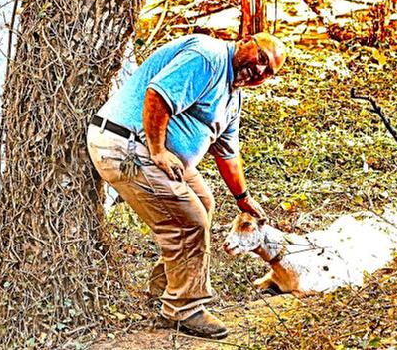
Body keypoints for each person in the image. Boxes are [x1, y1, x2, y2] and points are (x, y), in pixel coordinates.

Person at [86, 32, 286, 339]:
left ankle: (165, 289)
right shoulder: (208, 57)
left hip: (152, 149)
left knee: (204, 202)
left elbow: (227, 153)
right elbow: (158, 95)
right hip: (125, 144)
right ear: (246, 40)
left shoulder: (233, 95)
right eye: (261, 59)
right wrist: (158, 150)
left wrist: (242, 198)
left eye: (268, 72)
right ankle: (184, 309)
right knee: (189, 219)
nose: (260, 71)